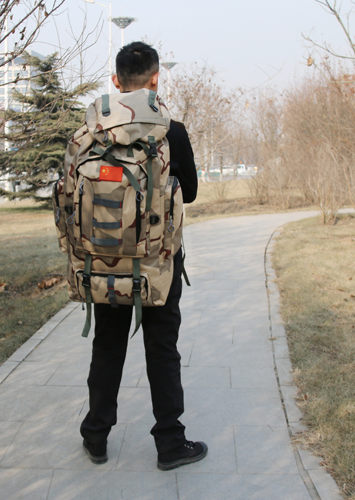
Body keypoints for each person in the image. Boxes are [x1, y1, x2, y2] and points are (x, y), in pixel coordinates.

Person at [79, 41, 204, 471]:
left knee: (107, 347)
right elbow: (190, 191)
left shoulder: (91, 131)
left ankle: (96, 437)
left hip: (105, 261)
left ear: (115, 82)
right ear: (155, 79)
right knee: (162, 350)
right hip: (160, 262)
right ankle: (170, 443)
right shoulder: (172, 131)